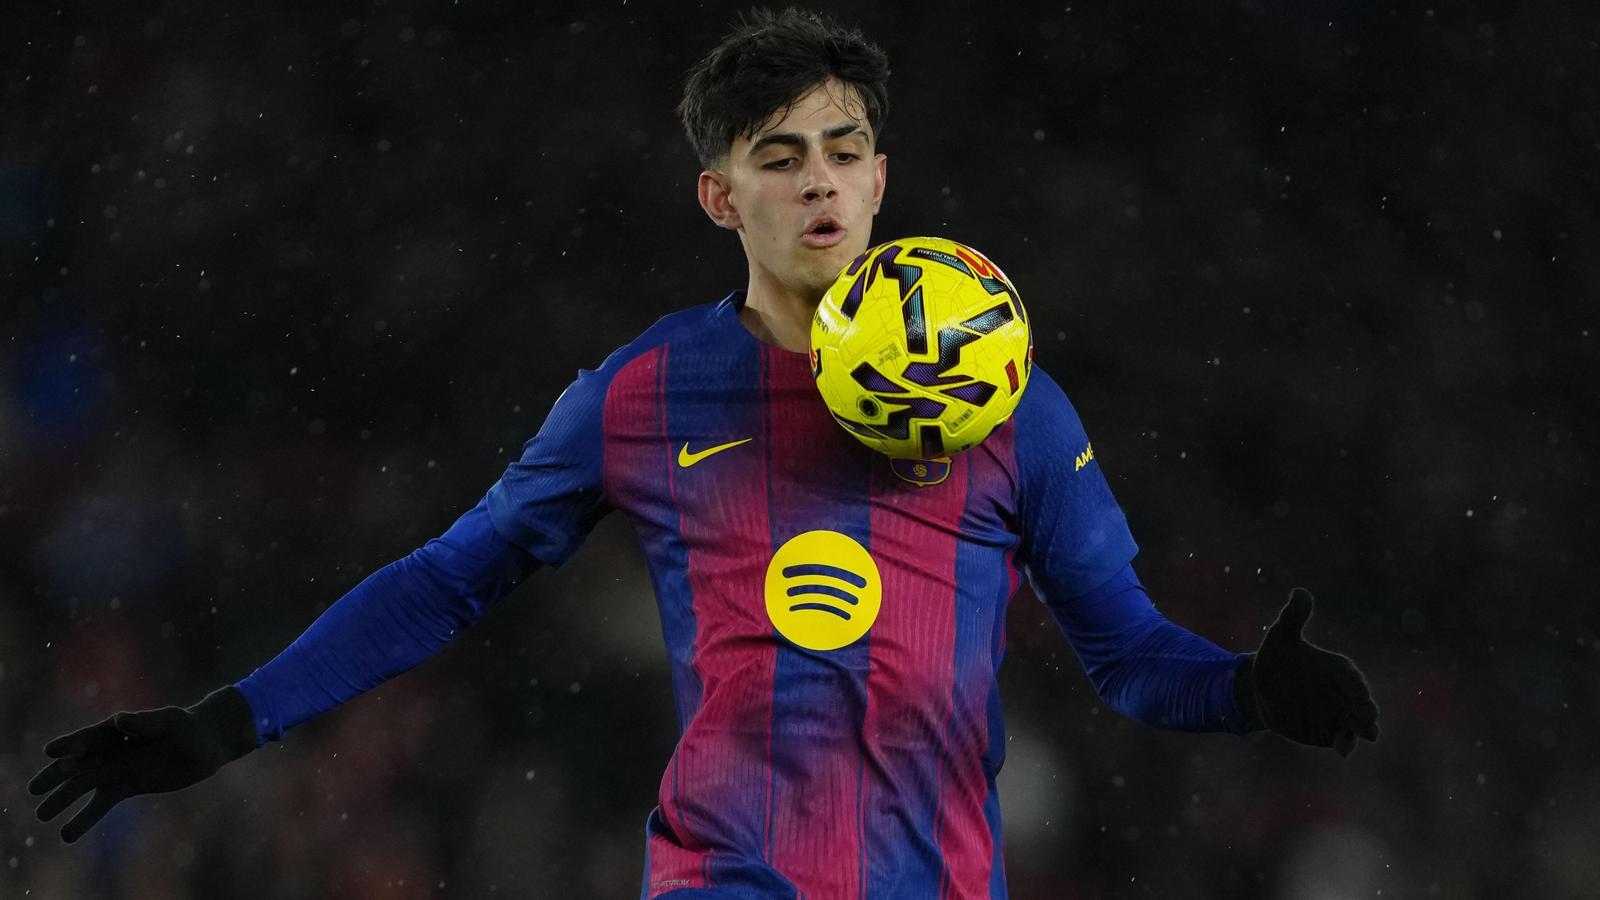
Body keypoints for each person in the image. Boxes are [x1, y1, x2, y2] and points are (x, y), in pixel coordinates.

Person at [30, 8, 1379, 897]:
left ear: (881, 179)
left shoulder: (1010, 404)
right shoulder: (647, 394)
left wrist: (1249, 691)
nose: (818, 183)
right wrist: (228, 720)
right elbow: (450, 578)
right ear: (719, 196)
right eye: (779, 156)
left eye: (843, 151)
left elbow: (1131, 660)